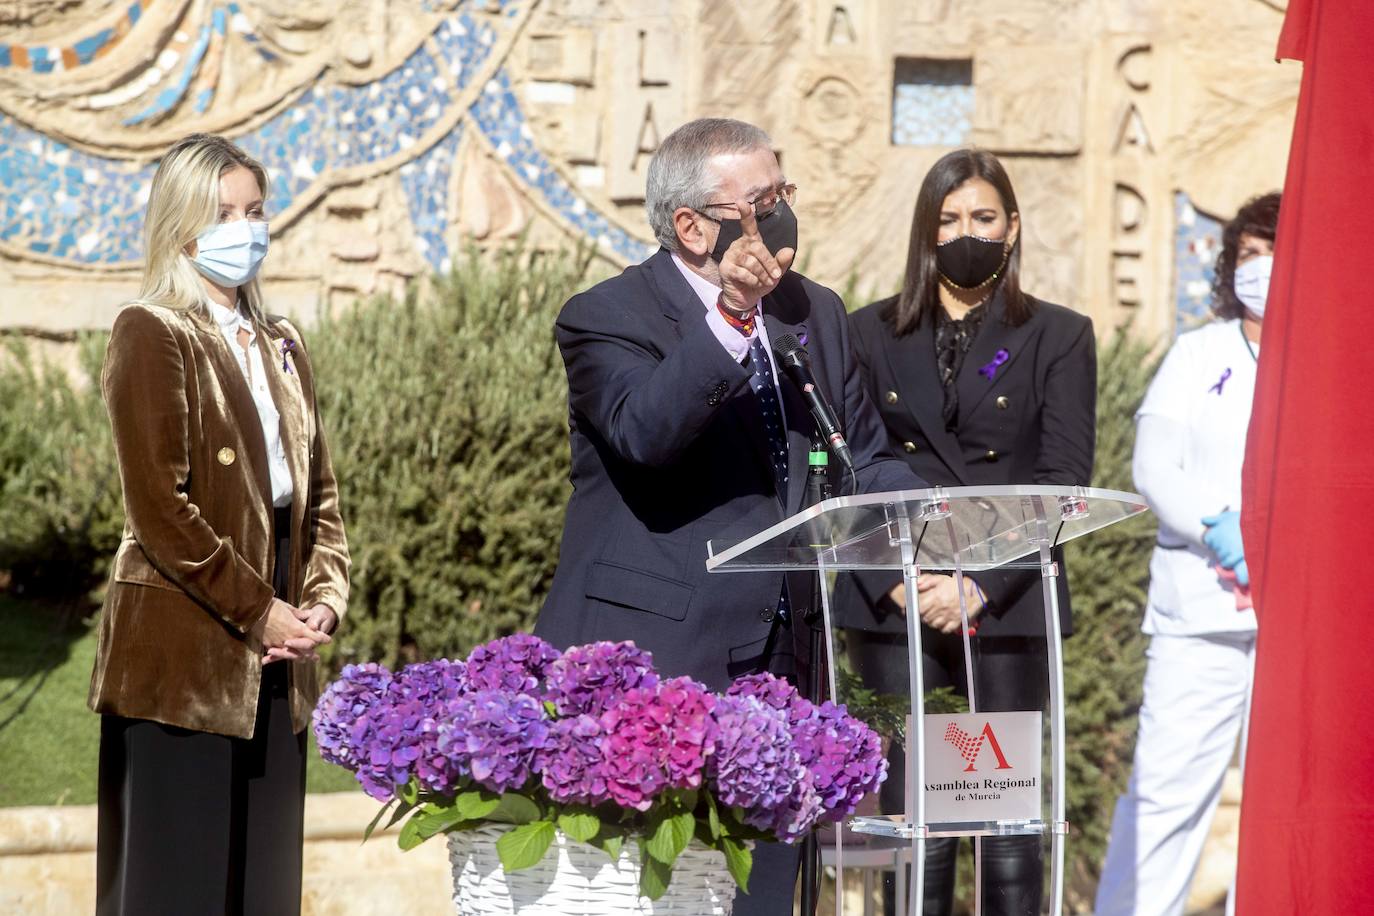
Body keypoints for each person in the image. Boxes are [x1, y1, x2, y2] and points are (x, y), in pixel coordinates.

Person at [534, 117, 922, 916]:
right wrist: (733, 317)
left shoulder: (814, 311)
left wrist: (932, 513)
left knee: (764, 895)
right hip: (657, 666)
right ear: (692, 225)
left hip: (786, 665)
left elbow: (856, 457)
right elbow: (646, 433)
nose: (781, 212)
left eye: (784, 192)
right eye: (761, 200)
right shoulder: (607, 316)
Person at [89, 133, 351, 915]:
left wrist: (321, 598)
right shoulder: (153, 332)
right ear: (181, 225)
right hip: (185, 654)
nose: (246, 228)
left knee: (265, 885)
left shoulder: (282, 344)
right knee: (181, 885)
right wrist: (257, 609)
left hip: (279, 646)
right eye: (223, 213)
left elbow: (321, 495)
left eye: (255, 210)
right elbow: (161, 513)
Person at [835, 148, 1097, 916]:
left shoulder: (1059, 335)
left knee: (1007, 826)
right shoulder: (866, 332)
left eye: (983, 218)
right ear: (925, 232)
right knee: (915, 829)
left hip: (1006, 607)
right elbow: (846, 470)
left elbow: (1062, 481)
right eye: (948, 220)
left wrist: (980, 585)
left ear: (1012, 228)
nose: (966, 233)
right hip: (894, 607)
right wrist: (899, 579)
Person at [1094, 192, 1279, 916]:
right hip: (1200, 609)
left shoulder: (1335, 360)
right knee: (1165, 796)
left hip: (1295, 624)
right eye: (1249, 253)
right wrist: (1221, 531)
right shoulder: (1198, 353)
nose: (1259, 267)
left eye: (1276, 251)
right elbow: (1154, 468)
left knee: (1282, 803)